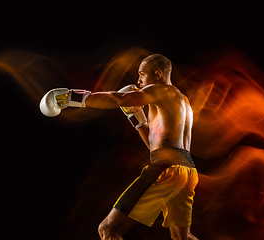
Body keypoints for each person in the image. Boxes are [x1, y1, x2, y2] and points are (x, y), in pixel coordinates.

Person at [40, 54, 199, 240]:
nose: (139, 81)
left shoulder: (159, 90)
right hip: (187, 173)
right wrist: (136, 119)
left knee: (107, 229)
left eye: (142, 74)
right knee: (183, 237)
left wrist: (72, 97)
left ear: (158, 74)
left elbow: (117, 99)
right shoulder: (183, 102)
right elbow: (154, 148)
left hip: (166, 169)